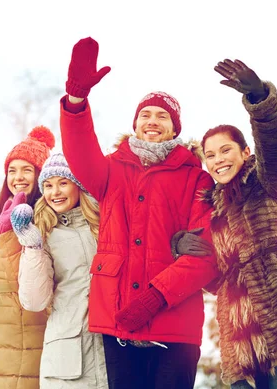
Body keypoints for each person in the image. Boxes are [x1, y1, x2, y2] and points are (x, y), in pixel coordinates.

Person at [59, 37, 219, 388]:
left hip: (175, 321)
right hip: (118, 316)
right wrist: (76, 101)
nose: (152, 120)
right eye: (145, 114)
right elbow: (79, 150)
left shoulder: (198, 178)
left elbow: (205, 253)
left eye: (162, 116)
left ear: (175, 128)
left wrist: (155, 296)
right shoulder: (111, 170)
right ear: (134, 124)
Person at [190, 59, 277, 388]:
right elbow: (217, 283)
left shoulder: (270, 183)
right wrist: (186, 249)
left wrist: (259, 101)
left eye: (226, 150)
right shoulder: (216, 212)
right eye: (210, 154)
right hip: (242, 342)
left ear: (245, 151)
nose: (218, 159)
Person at [9, 152, 108, 388]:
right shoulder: (44, 232)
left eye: (63, 183)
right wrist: (32, 247)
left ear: (79, 186)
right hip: (68, 354)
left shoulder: (104, 224)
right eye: (48, 185)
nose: (55, 192)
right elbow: (34, 301)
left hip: (110, 349)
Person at [0, 126, 55, 389]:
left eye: (27, 170)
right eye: (12, 171)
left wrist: (9, 235)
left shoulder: (45, 215)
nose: (18, 177)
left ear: (40, 175)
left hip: (25, 331)